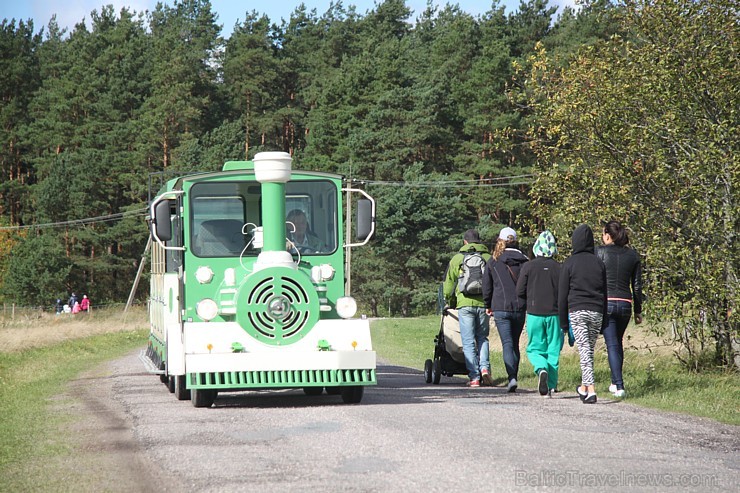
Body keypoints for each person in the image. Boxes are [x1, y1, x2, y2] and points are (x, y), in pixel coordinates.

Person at [558, 224, 607, 404]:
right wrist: (604, 319)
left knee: (585, 350)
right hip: (596, 311)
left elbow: (562, 295)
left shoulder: (569, 263)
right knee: (588, 351)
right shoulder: (599, 263)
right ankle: (583, 388)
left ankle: (591, 389)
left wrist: (563, 322)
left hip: (577, 310)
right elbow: (605, 292)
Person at [597, 221, 643, 398]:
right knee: (617, 342)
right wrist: (638, 310)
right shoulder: (633, 255)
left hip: (607, 303)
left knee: (612, 344)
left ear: (608, 235)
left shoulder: (599, 252)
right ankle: (614, 382)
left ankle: (619, 385)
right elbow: (637, 286)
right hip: (625, 303)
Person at [443, 229, 492, 387]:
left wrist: (450, 301)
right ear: (479, 241)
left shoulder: (457, 258)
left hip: (464, 303)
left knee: (468, 340)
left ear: (465, 242)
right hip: (484, 303)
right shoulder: (488, 258)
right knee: (482, 338)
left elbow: (449, 284)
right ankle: (485, 369)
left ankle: (475, 377)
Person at [516, 231, 562, 397]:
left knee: (535, 348)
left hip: (535, 313)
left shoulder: (528, 266)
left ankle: (541, 368)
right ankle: (552, 385)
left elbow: (519, 290)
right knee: (554, 349)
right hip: (555, 314)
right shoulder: (559, 267)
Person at [482, 227, 528, 392]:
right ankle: (513, 376)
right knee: (515, 343)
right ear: (515, 241)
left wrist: (487, 304)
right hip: (520, 308)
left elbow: (486, 286)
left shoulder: (494, 261)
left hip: (500, 307)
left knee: (507, 343)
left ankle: (512, 377)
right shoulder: (525, 260)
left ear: (500, 241)